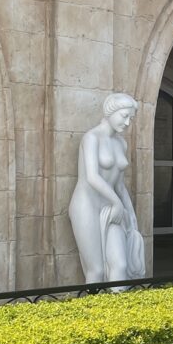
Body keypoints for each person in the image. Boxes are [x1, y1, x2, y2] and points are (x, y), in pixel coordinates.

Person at [69, 92, 146, 285]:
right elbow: (92, 177)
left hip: (113, 206)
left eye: (131, 118)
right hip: (87, 204)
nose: (127, 123)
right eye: (124, 116)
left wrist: (131, 213)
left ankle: (118, 313)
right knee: (96, 270)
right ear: (111, 112)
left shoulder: (121, 143)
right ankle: (93, 314)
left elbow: (119, 184)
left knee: (120, 265)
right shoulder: (91, 138)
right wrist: (117, 203)